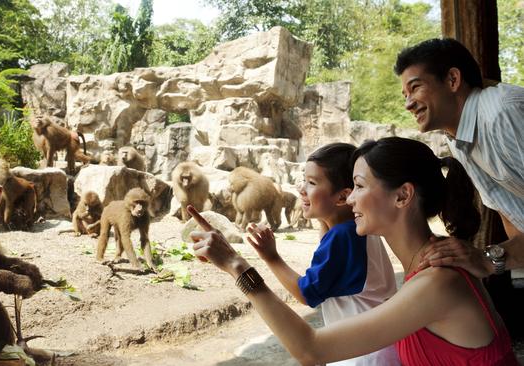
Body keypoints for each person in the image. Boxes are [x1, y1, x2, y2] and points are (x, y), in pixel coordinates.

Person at [189, 137, 517, 365]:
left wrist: (235, 264)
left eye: (359, 187)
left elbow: (310, 349)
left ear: (402, 196)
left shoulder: (437, 282)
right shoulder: (427, 268)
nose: (350, 199)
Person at [246, 142, 399, 365]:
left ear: (342, 197)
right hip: (377, 350)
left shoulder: (342, 237)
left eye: (311, 183)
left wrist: (271, 257)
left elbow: (306, 293)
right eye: (303, 180)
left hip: (360, 357)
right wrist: (323, 216)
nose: (301, 189)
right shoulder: (359, 228)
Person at [393, 38, 524, 280]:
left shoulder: (502, 114)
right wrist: (488, 258)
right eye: (405, 94)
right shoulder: (458, 140)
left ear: (453, 79)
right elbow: (513, 219)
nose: (408, 104)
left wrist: (486, 258)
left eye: (415, 87)